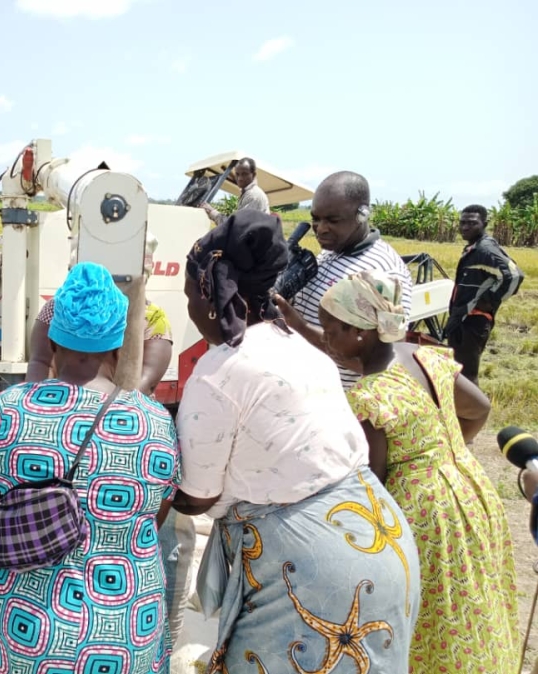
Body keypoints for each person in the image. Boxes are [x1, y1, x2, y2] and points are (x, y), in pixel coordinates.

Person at [174, 211, 419, 674]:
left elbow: (197, 495)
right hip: (380, 537)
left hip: (315, 572)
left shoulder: (220, 371)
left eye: (189, 295)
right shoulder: (301, 348)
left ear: (210, 296)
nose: (189, 309)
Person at [0, 262, 181, 674]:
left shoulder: (7, 411)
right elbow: (155, 515)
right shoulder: (154, 421)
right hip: (124, 633)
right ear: (119, 344)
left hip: (26, 630)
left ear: (52, 340)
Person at [318, 270, 519, 673]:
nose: (325, 340)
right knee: (474, 606)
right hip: (469, 493)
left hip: (426, 517)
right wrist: (446, 450)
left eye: (330, 330)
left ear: (360, 333)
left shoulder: (369, 397)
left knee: (434, 617)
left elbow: (372, 483)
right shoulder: (424, 357)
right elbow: (479, 408)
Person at [274, 170, 413, 390]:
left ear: (362, 215)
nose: (321, 229)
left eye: (333, 220)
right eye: (316, 219)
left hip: (338, 397)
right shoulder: (331, 252)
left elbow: (386, 362)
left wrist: (300, 326)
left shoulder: (383, 273)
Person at [26, 233, 173, 397]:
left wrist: (110, 406)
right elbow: (40, 362)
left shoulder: (153, 318)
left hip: (117, 406)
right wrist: (37, 400)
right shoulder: (59, 307)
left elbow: (147, 381)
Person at [445, 204, 524, 385]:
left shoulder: (484, 250)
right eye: (462, 222)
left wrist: (489, 300)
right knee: (458, 372)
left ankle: (472, 404)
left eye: (472, 223)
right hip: (463, 317)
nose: (465, 227)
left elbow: (514, 276)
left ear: (484, 224)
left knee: (466, 376)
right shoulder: (473, 248)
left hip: (473, 320)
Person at [201, 157, 270, 223]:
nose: (240, 178)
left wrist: (212, 212)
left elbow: (236, 226)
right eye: (237, 174)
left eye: (244, 174)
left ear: (253, 175)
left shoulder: (253, 195)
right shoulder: (247, 193)